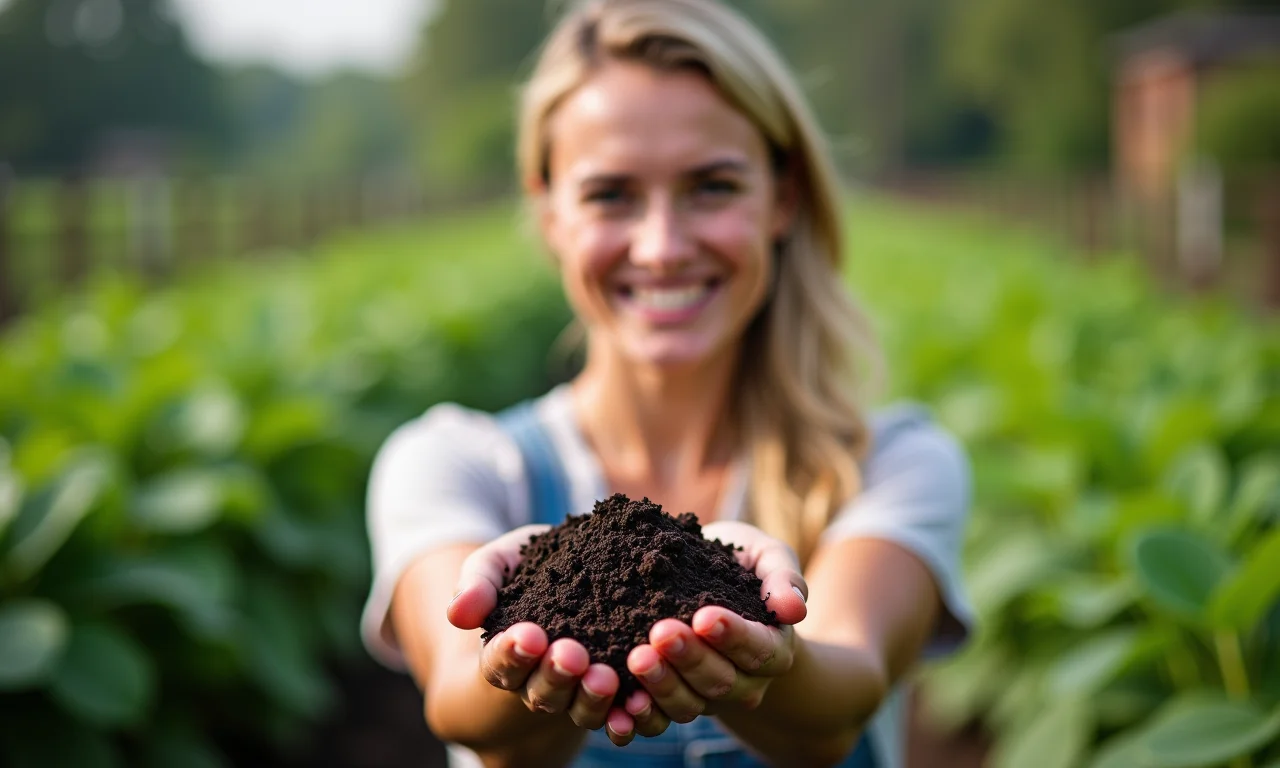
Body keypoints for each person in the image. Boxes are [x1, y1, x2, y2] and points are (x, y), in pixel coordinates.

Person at [360, 1, 974, 766]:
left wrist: (757, 638)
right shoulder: (454, 466)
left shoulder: (892, 465)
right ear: (550, 212)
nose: (662, 247)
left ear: (782, 197)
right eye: (611, 195)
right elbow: (464, 707)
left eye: (711, 186)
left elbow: (839, 705)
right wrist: (533, 631)